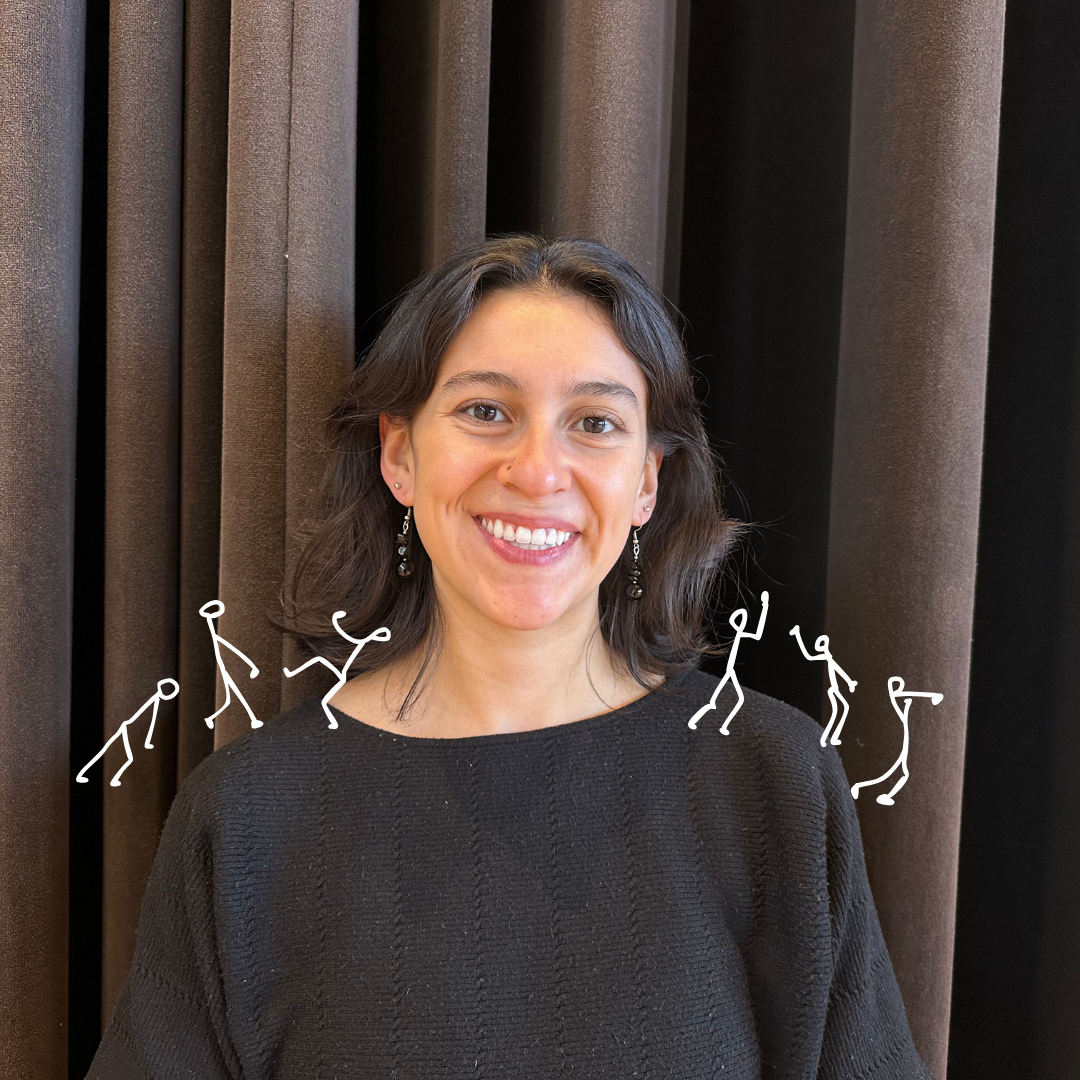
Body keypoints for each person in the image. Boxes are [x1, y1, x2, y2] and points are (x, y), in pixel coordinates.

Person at [85, 235, 932, 1078]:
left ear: (648, 483)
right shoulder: (247, 818)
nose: (537, 470)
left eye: (595, 423)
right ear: (400, 454)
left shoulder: (770, 780)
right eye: (485, 411)